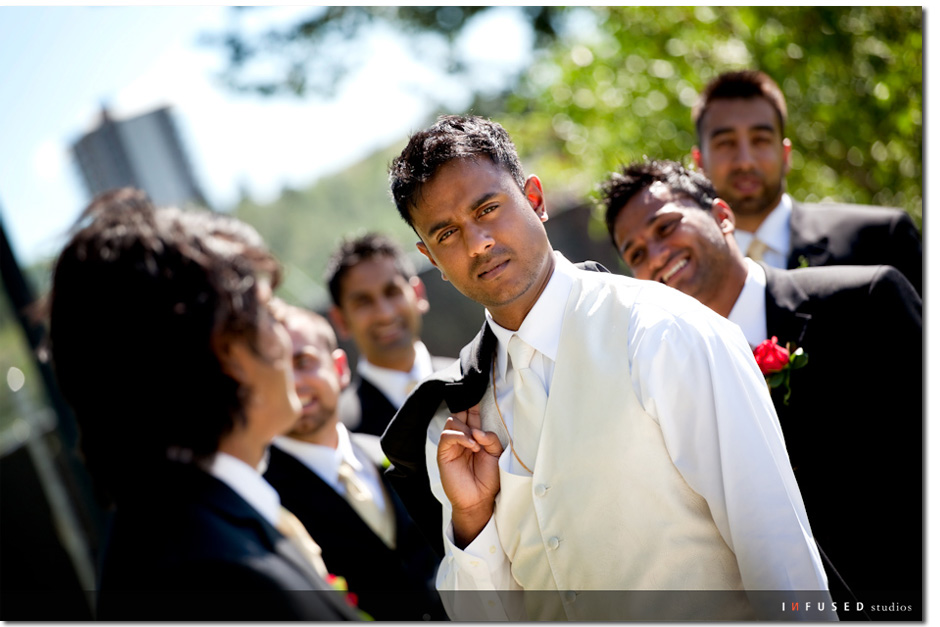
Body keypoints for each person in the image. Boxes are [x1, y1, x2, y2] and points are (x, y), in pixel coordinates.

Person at [378, 115, 834, 621]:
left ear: (535, 199)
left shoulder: (663, 332)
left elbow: (781, 557)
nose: (477, 242)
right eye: (447, 234)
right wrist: (470, 523)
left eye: (488, 208)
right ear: (430, 258)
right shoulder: (455, 415)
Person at [600, 160, 922, 617]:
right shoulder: (659, 384)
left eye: (666, 227)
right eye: (635, 254)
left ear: (723, 216)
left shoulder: (865, 300)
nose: (655, 255)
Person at [46, 188, 360, 620]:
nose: (285, 339)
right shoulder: (220, 576)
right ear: (227, 350)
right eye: (268, 313)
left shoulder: (177, 534)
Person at [262, 302, 448, 620]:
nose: (293, 382)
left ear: (339, 368)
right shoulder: (266, 500)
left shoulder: (393, 452)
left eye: (303, 361)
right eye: (276, 368)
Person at [690, 69, 922, 294]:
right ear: (699, 162)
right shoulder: (681, 272)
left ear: (785, 154)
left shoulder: (880, 241)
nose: (745, 162)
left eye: (760, 140)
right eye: (725, 143)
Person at [326, 233, 454, 436]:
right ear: (341, 320)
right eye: (363, 302)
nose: (385, 315)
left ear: (417, 293)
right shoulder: (340, 430)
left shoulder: (477, 379)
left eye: (392, 292)